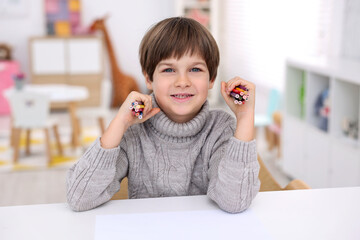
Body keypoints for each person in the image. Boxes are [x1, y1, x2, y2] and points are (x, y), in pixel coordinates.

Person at [66, 17, 260, 213]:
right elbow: (79, 198)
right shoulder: (133, 131)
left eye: (195, 69)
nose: (182, 81)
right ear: (149, 79)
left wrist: (244, 117)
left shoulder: (220, 128)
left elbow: (235, 202)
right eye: (168, 69)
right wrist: (120, 122)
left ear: (211, 79)